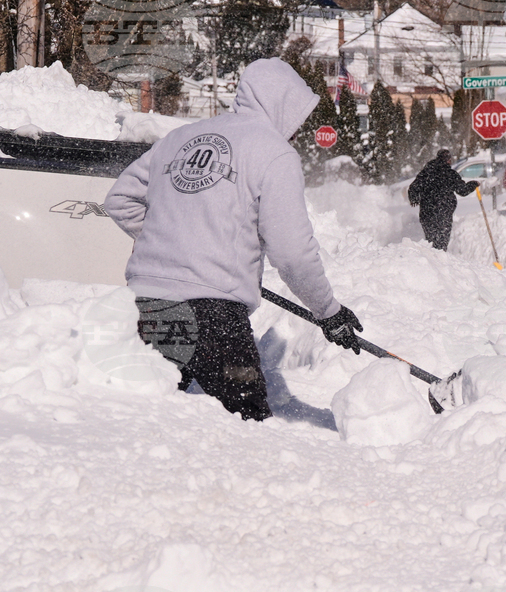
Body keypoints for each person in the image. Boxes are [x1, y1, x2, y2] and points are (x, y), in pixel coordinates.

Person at [104, 58, 363, 421]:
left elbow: (119, 199)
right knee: (248, 428)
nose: (298, 129)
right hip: (213, 320)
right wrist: (329, 313)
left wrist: (171, 242)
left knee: (155, 422)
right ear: (283, 104)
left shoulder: (179, 139)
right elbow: (292, 253)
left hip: (147, 309)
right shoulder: (273, 152)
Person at [407, 149, 479, 250]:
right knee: (441, 244)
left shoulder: (426, 172)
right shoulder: (450, 174)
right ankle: (439, 261)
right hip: (443, 212)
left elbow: (414, 187)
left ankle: (430, 261)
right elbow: (462, 191)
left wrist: (414, 199)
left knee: (430, 241)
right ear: (448, 160)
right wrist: (473, 184)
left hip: (427, 213)